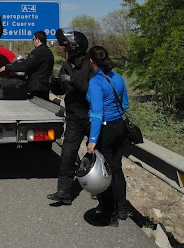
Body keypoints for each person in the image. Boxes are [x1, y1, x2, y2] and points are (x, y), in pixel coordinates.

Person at [46, 28, 91, 206]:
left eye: (66, 48)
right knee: (67, 154)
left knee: (96, 153)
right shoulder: (67, 65)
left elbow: (91, 89)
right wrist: (55, 85)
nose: (64, 51)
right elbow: (62, 90)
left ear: (75, 47)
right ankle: (64, 192)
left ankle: (99, 190)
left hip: (91, 115)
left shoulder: (91, 64)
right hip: (73, 116)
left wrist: (72, 81)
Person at [86, 45, 129, 227]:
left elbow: (97, 114)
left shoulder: (95, 82)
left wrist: (92, 139)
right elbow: (125, 104)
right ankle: (122, 209)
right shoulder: (116, 77)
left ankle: (107, 214)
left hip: (104, 130)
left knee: (104, 173)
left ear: (91, 61)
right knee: (117, 168)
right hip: (119, 127)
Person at [0, 31, 54, 100]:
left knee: (36, 107)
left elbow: (25, 65)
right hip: (45, 86)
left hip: (36, 87)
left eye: (33, 40)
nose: (33, 42)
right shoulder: (49, 52)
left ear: (37, 40)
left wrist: (8, 67)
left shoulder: (37, 52)